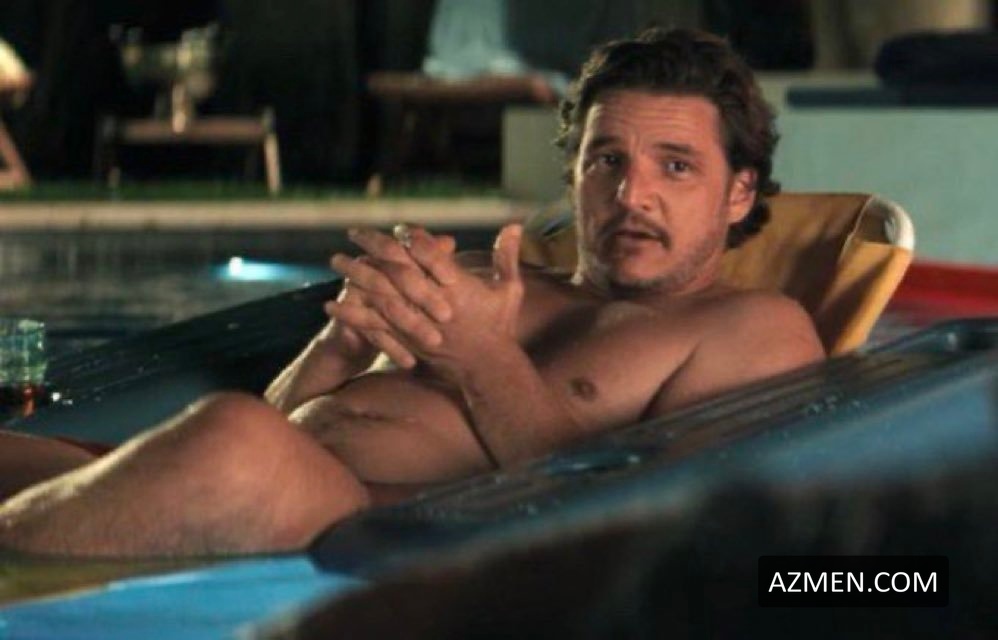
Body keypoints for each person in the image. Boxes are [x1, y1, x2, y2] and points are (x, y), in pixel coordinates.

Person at [0, 28, 824, 557]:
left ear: (739, 192)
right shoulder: (482, 281)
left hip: (378, 527)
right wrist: (339, 348)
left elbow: (657, 518)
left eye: (675, 166)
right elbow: (288, 417)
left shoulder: (751, 327)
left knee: (234, 438)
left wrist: (480, 359)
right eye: (607, 160)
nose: (632, 193)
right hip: (262, 479)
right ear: (574, 175)